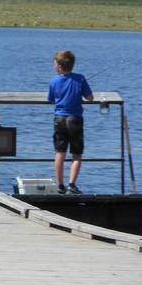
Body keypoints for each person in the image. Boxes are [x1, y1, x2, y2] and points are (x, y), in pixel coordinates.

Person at [47, 50, 94, 195]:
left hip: (59, 119)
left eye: (55, 63)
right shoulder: (80, 79)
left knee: (60, 152)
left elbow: (51, 99)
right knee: (77, 154)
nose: (54, 66)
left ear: (60, 66)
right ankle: (71, 184)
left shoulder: (54, 81)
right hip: (75, 119)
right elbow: (90, 98)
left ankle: (60, 185)